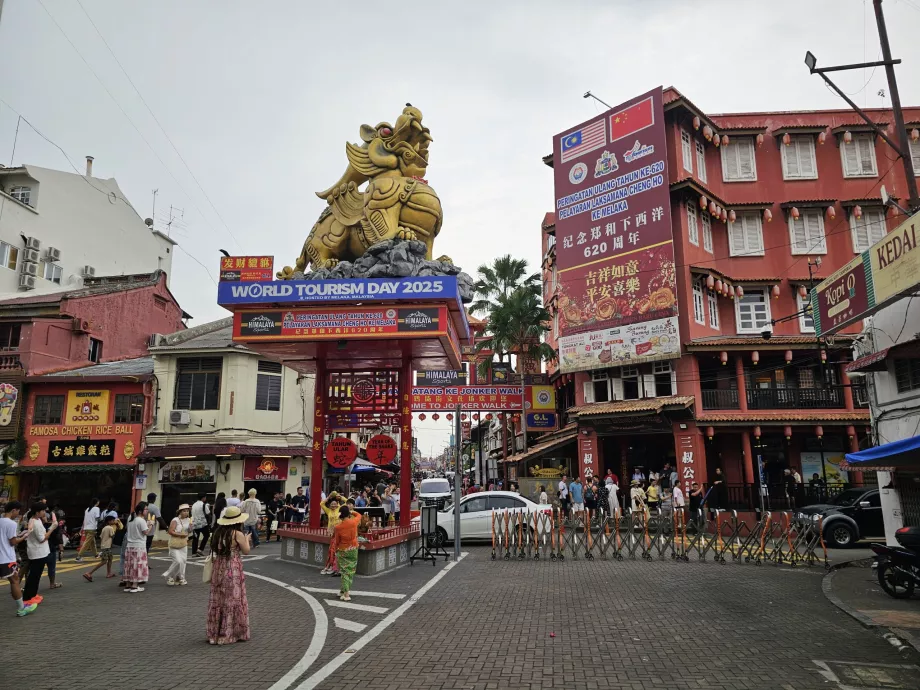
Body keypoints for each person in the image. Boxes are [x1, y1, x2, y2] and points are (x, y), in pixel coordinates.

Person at [207, 506, 251, 645]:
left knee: (218, 599)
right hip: (233, 568)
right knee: (233, 599)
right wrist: (247, 539)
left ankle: (215, 633)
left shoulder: (218, 533)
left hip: (218, 567)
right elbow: (246, 551)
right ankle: (230, 633)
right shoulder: (237, 534)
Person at [1, 502, 37, 617]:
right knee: (15, 581)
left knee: (14, 580)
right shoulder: (11, 523)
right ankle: (21, 608)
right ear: (13, 510)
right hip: (6, 558)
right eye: (18, 511)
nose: (18, 514)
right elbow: (13, 542)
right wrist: (24, 537)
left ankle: (22, 607)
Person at [23, 502, 57, 604]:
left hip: (40, 552)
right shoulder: (35, 522)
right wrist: (52, 528)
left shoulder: (37, 520)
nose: (44, 512)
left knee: (36, 575)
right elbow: (42, 539)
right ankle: (28, 597)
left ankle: (32, 595)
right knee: (34, 576)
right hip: (38, 553)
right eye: (43, 510)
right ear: (37, 512)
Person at [333, 505, 361, 601]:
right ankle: (343, 590)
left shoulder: (338, 527)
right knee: (351, 571)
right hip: (353, 549)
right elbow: (359, 515)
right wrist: (351, 511)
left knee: (344, 572)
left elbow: (337, 541)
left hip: (343, 550)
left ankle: (346, 594)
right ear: (348, 514)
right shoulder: (353, 522)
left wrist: (335, 550)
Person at [123, 502, 153, 593]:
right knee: (137, 565)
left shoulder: (131, 519)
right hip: (139, 546)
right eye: (146, 509)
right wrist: (151, 524)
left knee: (129, 566)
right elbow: (146, 532)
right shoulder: (141, 520)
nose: (147, 511)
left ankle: (128, 584)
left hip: (130, 546)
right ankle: (135, 585)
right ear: (140, 511)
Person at [83, 514, 119, 582]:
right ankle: (89, 573)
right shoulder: (110, 528)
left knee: (110, 559)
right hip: (107, 547)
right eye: (113, 520)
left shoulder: (104, 528)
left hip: (104, 546)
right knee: (104, 561)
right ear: (109, 521)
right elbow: (112, 536)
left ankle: (109, 573)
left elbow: (101, 537)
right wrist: (115, 528)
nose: (114, 521)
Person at [163, 504, 192, 586]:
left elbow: (189, 531)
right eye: (184, 511)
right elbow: (170, 531)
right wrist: (180, 535)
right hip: (175, 543)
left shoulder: (189, 520)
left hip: (183, 543)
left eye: (187, 511)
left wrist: (191, 527)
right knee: (177, 561)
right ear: (180, 512)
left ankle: (180, 577)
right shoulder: (175, 520)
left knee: (183, 561)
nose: (186, 512)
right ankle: (168, 576)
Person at [75, 497, 101, 562]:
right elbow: (97, 518)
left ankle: (96, 555)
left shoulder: (87, 509)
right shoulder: (96, 508)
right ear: (97, 502)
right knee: (87, 543)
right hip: (92, 528)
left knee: (92, 542)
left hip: (86, 528)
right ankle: (79, 556)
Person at [321, 496, 342, 575]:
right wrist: (329, 496)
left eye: (335, 504)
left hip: (339, 532)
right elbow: (322, 503)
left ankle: (333, 567)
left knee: (334, 550)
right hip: (332, 532)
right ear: (329, 505)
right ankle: (329, 566)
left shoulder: (339, 509)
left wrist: (340, 497)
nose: (333, 505)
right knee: (331, 550)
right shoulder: (328, 511)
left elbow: (347, 502)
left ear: (337, 505)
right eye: (332, 504)